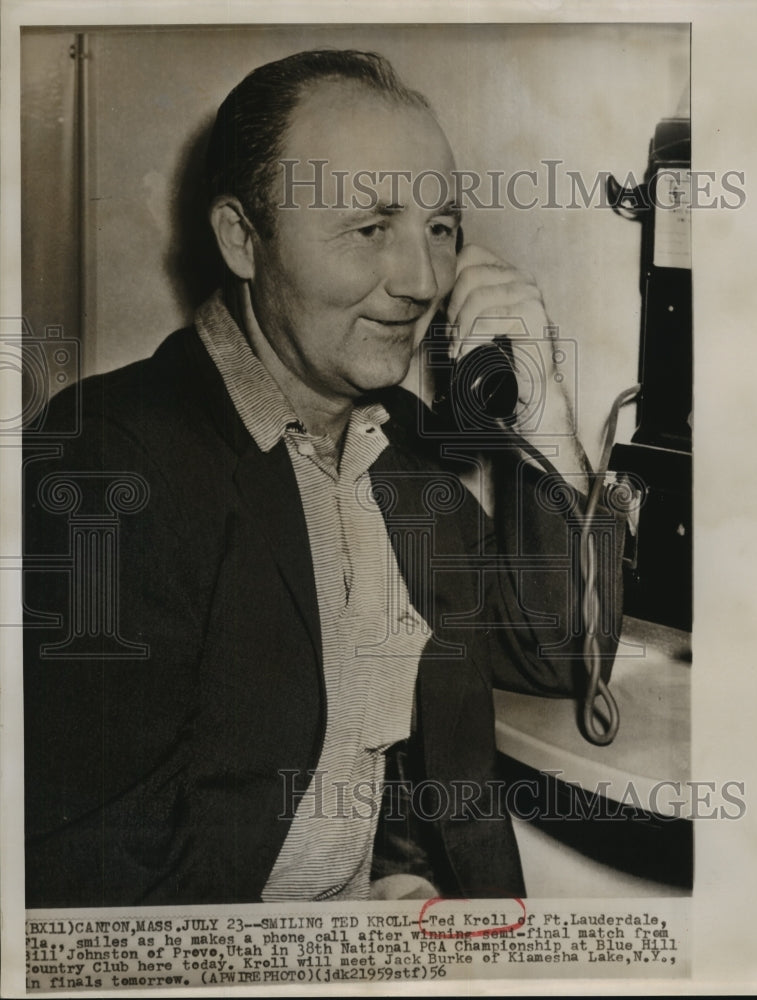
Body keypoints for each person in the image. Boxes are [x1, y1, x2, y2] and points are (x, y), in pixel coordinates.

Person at [23, 49, 622, 907]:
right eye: (371, 228)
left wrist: (547, 422)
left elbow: (560, 648)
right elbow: (80, 866)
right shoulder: (113, 462)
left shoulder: (400, 446)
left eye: (440, 228)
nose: (421, 281)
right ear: (242, 237)